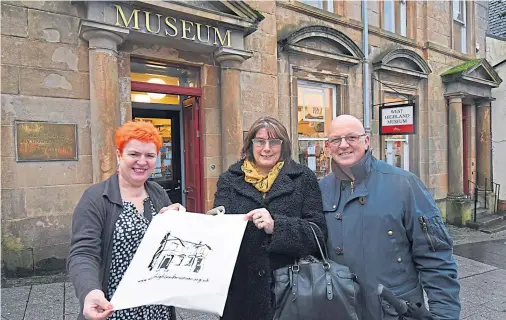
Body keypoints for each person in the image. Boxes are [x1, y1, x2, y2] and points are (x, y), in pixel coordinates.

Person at [319, 115, 460, 320]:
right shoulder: (321, 189)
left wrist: (444, 315)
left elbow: (436, 257)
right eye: (336, 140)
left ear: (366, 141)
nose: (343, 145)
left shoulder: (404, 184)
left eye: (351, 137)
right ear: (328, 146)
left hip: (394, 311)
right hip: (342, 310)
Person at [67, 121, 185, 320]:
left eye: (149, 155)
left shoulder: (157, 192)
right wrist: (89, 291)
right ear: (119, 155)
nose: (142, 161)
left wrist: (180, 221)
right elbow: (83, 253)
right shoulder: (96, 198)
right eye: (134, 154)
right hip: (114, 308)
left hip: (156, 308)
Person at [213, 116, 327, 320]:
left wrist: (277, 226)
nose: (266, 148)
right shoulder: (229, 180)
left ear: (283, 145)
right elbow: (219, 229)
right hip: (241, 293)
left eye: (274, 141)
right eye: (260, 141)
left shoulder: (303, 178)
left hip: (290, 293)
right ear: (250, 145)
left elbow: (317, 235)